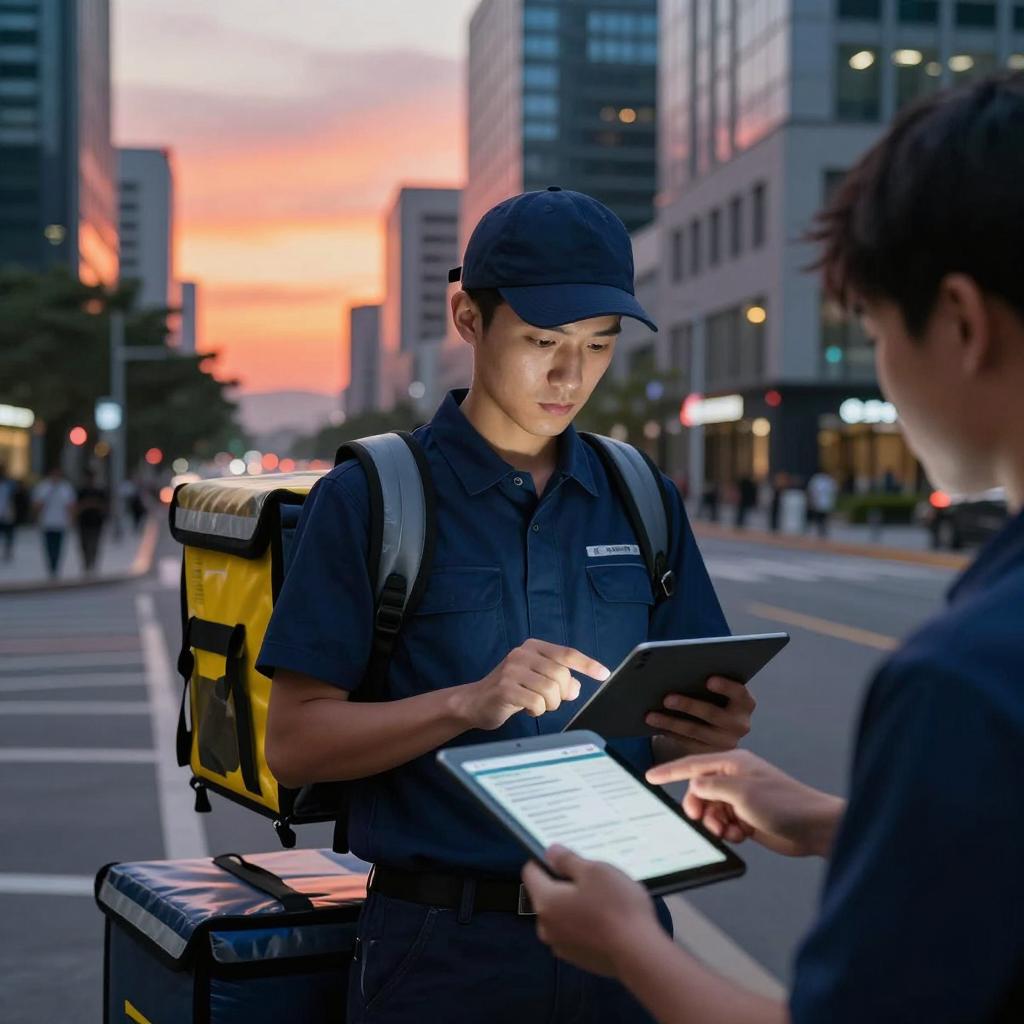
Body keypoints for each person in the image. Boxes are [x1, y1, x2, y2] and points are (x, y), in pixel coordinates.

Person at [521, 73, 1024, 1023]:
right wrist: (845, 822)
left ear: (959, 322)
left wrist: (625, 942)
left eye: (872, 326)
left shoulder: (964, 680)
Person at [258, 188, 757, 1024]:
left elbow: (673, 719)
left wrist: (706, 728)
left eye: (599, 347)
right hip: (442, 950)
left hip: (623, 941)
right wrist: (466, 702)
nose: (572, 376)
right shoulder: (373, 498)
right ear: (467, 318)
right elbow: (296, 742)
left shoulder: (639, 495)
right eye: (542, 342)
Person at [32, 465, 77, 578]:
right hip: (47, 523)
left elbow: (70, 505)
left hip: (61, 523)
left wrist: (71, 519)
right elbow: (37, 505)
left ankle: (55, 567)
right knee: (49, 547)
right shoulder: (43, 487)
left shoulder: (66, 487)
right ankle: (51, 567)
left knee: (58, 547)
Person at [75, 469, 108, 573]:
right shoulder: (81, 492)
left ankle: (92, 564)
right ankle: (86, 563)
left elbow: (105, 507)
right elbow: (76, 507)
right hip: (83, 522)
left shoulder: (99, 492)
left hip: (96, 522)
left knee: (94, 544)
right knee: (84, 544)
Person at [804, 469, 838, 538]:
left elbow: (811, 491)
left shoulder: (817, 479)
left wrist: (811, 500)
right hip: (825, 502)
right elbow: (834, 491)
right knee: (823, 517)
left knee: (819, 517)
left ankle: (821, 530)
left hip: (819, 502)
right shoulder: (829, 480)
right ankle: (822, 530)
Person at [0, 463, 17, 562]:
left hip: (7, 512)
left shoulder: (10, 484)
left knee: (9, 534)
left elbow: (14, 498)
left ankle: (8, 551)